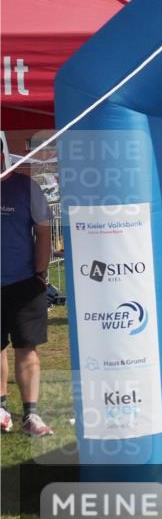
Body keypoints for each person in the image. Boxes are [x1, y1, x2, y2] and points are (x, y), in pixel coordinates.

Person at [0, 141, 54, 436]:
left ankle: (30, 415)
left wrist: (40, 272)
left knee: (26, 348)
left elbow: (43, 230)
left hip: (23, 283)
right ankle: (1, 409)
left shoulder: (26, 187)